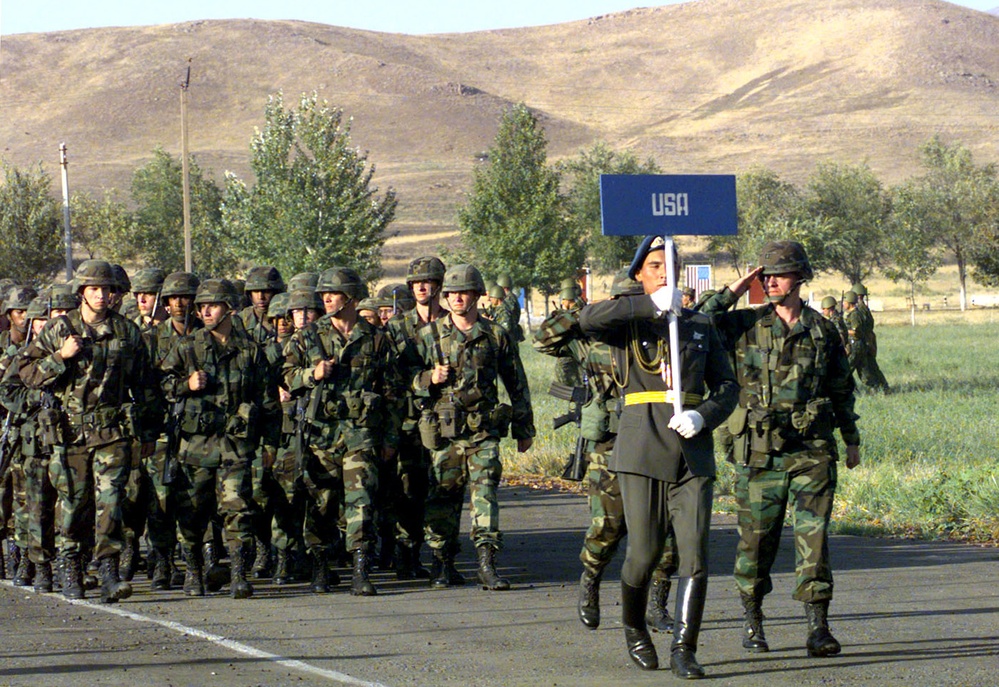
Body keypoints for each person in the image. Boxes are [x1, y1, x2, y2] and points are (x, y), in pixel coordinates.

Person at [578, 236, 739, 678]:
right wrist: (649, 306)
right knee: (644, 553)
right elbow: (587, 319)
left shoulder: (701, 324)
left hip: (691, 452)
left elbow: (728, 387)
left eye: (670, 265)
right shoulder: (626, 323)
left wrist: (704, 416)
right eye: (654, 266)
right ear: (640, 274)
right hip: (642, 444)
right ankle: (633, 627)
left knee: (695, 555)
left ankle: (684, 649)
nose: (664, 273)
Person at [704, 241, 861, 659]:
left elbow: (841, 388)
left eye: (779, 274)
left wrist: (852, 440)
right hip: (759, 454)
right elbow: (698, 319)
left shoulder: (823, 330)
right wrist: (735, 289)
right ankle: (753, 619)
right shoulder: (744, 324)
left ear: (800, 278)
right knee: (757, 542)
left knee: (814, 537)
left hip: (812, 450)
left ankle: (818, 626)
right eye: (765, 275)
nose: (770, 281)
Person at [534, 269, 679, 634]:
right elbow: (543, 339)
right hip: (610, 447)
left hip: (655, 442)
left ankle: (658, 604)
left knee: (667, 531)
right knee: (607, 527)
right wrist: (584, 310)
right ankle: (591, 584)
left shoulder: (663, 338)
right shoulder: (592, 339)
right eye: (623, 305)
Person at [16, 260, 162, 603]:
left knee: (111, 501)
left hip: (112, 432)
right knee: (74, 503)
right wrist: (61, 357)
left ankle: (108, 570)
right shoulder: (59, 329)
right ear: (82, 292)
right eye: (94, 289)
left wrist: (150, 433)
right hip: (69, 434)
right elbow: (25, 372)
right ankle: (71, 565)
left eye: (107, 289)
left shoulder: (127, 332)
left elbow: (146, 385)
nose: (101, 295)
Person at [410, 264, 535, 590]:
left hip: (483, 432)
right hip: (445, 433)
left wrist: (524, 428)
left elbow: (516, 382)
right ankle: (442, 563)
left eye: (464, 292)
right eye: (451, 294)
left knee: (486, 495)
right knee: (442, 498)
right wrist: (428, 379)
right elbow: (404, 380)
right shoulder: (428, 336)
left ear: (478, 295)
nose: (457, 299)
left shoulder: (495, 335)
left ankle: (486, 563)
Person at [282, 266, 403, 596]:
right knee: (322, 502)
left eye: (332, 294)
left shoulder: (377, 340)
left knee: (361, 501)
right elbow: (287, 377)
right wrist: (312, 374)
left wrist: (391, 438)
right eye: (323, 295)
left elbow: (393, 392)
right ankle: (320, 564)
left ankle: (360, 569)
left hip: (360, 434)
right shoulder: (308, 337)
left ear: (350, 297)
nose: (326, 299)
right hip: (320, 435)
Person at [159, 278, 280, 599]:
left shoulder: (250, 351)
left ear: (230, 308)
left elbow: (268, 401)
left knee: (237, 506)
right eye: (201, 306)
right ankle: (194, 571)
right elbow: (161, 387)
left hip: (236, 445)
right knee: (193, 510)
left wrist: (270, 444)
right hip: (195, 445)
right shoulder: (187, 347)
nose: (205, 311)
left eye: (212, 305)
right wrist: (186, 384)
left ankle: (239, 574)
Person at [142, 271, 201, 591]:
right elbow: (147, 386)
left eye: (186, 297)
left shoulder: (207, 336)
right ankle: (162, 560)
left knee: (194, 497)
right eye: (174, 299)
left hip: (199, 431)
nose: (180, 304)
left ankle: (194, 560)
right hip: (163, 426)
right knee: (160, 498)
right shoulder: (152, 339)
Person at [848, 283, 889, 393]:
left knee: (862, 368)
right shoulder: (865, 308)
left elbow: (858, 328)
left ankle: (879, 388)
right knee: (871, 367)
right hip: (868, 341)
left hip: (863, 341)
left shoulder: (859, 310)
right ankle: (883, 388)